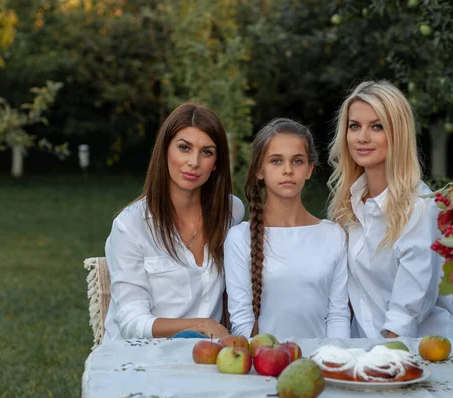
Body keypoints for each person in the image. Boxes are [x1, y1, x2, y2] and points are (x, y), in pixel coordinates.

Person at [327, 80, 453, 339]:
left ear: (397, 133)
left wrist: (378, 364)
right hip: (368, 350)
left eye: (377, 126)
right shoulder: (348, 207)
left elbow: (405, 315)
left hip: (427, 353)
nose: (362, 137)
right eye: (354, 126)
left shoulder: (418, 207)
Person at [103, 103, 245, 341]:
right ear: (165, 150)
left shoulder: (231, 212)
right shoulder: (130, 226)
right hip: (142, 360)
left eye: (207, 152)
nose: (194, 162)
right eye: (184, 148)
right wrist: (203, 325)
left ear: (217, 163)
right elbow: (131, 322)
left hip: (207, 359)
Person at [224, 118, 350, 339]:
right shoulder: (239, 238)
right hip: (263, 364)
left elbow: (338, 315)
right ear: (259, 170)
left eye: (297, 161)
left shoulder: (333, 235)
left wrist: (335, 359)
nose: (288, 170)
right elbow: (242, 322)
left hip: (320, 362)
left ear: (309, 169)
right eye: (276, 161)